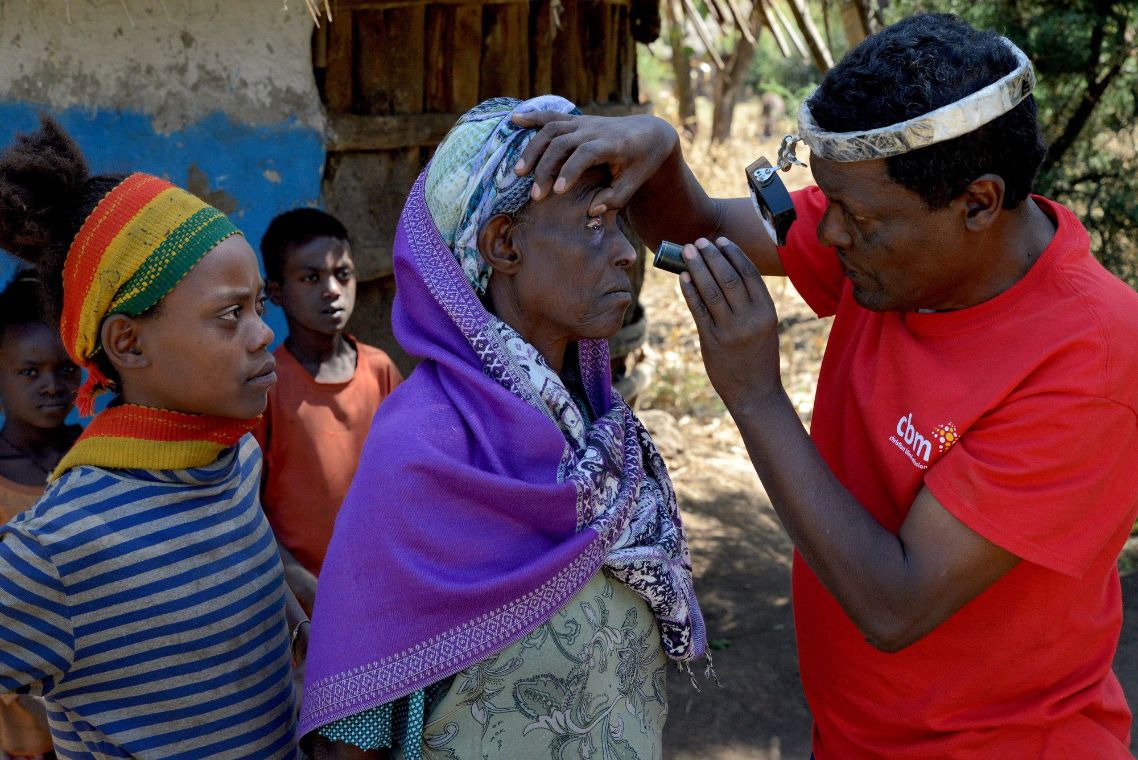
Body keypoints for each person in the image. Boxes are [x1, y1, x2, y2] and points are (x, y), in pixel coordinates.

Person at [511, 13, 1138, 758]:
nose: (829, 236)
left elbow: (894, 604)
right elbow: (705, 223)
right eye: (828, 203)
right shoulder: (898, 241)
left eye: (858, 218)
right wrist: (660, 153)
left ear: (978, 202)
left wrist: (755, 398)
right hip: (855, 735)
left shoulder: (1091, 358)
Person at [299, 96, 708, 759]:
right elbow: (355, 736)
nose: (629, 254)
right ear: (505, 244)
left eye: (621, 221)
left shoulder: (602, 438)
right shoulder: (423, 452)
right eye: (597, 222)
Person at [0, 116, 305, 758]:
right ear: (128, 342)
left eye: (259, 306)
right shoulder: (59, 548)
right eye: (229, 315)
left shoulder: (234, 461)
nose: (262, 335)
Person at [256, 209, 403, 615]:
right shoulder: (265, 388)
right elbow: (248, 508)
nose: (333, 290)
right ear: (276, 292)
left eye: (343, 274)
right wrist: (303, 585)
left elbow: (405, 482)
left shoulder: (380, 370)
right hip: (307, 603)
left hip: (384, 590)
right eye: (310, 277)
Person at [0, 274, 76, 760]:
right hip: (18, 736)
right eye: (30, 372)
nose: (51, 386)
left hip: (93, 727)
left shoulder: (94, 461)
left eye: (66, 370)